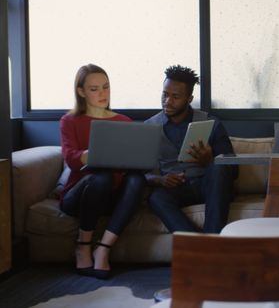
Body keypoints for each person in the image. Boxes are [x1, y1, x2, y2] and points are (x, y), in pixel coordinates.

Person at [59, 64, 146, 279]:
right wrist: (93, 153)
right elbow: (71, 159)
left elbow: (130, 166)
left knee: (137, 179)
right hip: (77, 197)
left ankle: (103, 248)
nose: (102, 94)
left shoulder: (123, 121)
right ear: (81, 91)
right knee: (101, 177)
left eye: (106, 87)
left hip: (112, 196)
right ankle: (83, 245)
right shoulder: (69, 121)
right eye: (94, 89)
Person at [145, 65, 238, 233]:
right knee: (156, 197)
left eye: (175, 97)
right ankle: (194, 242)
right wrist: (160, 180)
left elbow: (233, 169)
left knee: (218, 169)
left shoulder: (211, 123)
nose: (167, 101)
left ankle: (212, 238)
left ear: (189, 98)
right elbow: (141, 173)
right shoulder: (149, 127)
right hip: (176, 190)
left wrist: (210, 161)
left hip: (207, 185)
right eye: (165, 94)